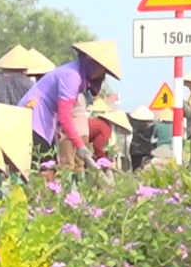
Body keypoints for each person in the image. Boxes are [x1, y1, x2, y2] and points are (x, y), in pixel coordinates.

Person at [22, 40, 122, 170]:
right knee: (43, 168)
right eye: (99, 68)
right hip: (34, 119)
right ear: (89, 61)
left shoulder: (76, 76)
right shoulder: (72, 76)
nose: (100, 73)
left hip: (44, 120)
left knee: (47, 166)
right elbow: (65, 115)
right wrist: (79, 145)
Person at [128, 104, 162, 171]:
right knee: (145, 168)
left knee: (135, 168)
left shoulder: (132, 124)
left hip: (134, 149)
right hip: (146, 149)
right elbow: (153, 138)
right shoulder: (151, 126)